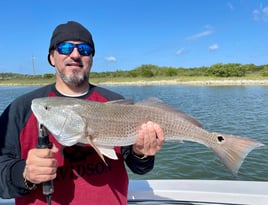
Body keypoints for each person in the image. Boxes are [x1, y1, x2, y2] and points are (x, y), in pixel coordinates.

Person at [0, 21, 164, 205]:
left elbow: (139, 167)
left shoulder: (115, 103)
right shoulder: (22, 108)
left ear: (91, 58)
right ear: (52, 57)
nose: (75, 54)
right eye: (66, 47)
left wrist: (143, 154)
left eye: (84, 49)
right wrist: (25, 173)